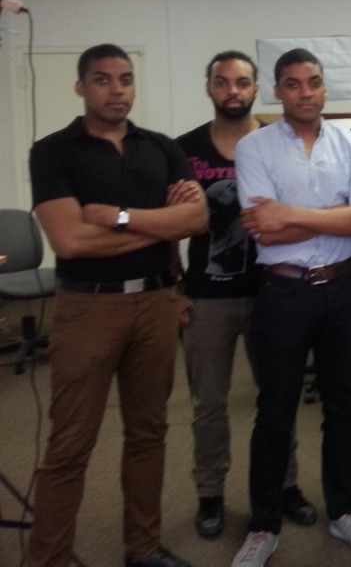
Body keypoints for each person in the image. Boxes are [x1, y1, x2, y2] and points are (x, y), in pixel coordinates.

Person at [27, 43, 208, 567]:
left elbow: (196, 223)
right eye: (102, 80)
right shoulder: (54, 151)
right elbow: (71, 243)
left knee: (149, 433)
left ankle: (144, 547)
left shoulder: (161, 148)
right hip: (89, 309)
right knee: (69, 445)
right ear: (82, 87)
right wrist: (157, 226)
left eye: (125, 79)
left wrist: (117, 217)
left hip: (155, 304)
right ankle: (48, 558)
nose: (117, 89)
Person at [230, 48, 351, 566]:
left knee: (344, 406)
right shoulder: (253, 148)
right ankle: (263, 524)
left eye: (314, 82)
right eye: (293, 84)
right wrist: (333, 215)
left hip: (343, 292)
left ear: (325, 89)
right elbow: (263, 227)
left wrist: (292, 215)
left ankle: (344, 511)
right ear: (278, 91)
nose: (305, 92)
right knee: (274, 413)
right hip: (284, 292)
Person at [176, 51, 315, 540]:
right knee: (208, 403)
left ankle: (287, 485)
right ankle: (210, 493)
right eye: (222, 82)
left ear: (258, 88)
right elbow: (165, 226)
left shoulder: (281, 142)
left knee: (278, 398)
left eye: (242, 82)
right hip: (207, 296)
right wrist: (175, 288)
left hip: (272, 290)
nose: (232, 90)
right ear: (210, 88)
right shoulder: (185, 150)